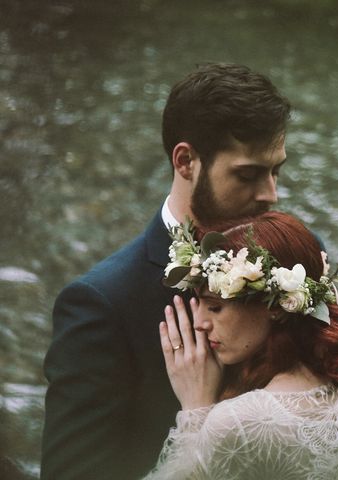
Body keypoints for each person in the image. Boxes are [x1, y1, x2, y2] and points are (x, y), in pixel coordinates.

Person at [41, 63, 291, 480]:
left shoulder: (297, 257)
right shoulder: (102, 304)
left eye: (276, 170)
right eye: (248, 175)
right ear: (186, 160)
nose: (271, 194)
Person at [143, 211, 338, 479]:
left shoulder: (239, 424)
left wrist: (195, 411)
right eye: (197, 303)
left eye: (215, 307)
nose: (198, 322)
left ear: (277, 308)